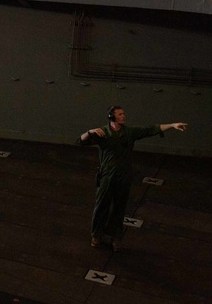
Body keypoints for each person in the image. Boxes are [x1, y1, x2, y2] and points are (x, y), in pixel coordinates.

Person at [79, 106, 187, 251]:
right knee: (101, 206)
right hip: (107, 176)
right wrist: (90, 131)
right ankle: (96, 235)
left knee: (119, 207)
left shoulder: (129, 132)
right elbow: (81, 141)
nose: (124, 116)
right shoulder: (103, 133)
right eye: (120, 114)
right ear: (112, 117)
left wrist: (172, 125)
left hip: (123, 176)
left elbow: (150, 129)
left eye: (123, 113)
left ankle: (115, 237)